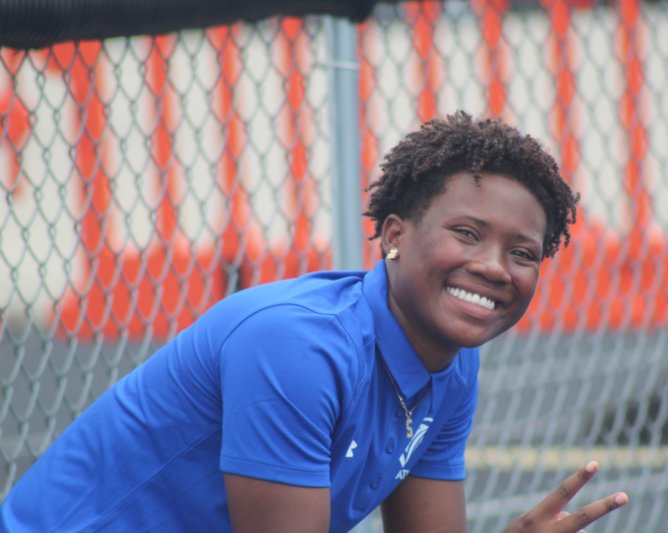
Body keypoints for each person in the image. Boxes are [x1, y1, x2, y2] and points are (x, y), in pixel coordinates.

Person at [0, 111, 627, 532]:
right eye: (466, 233)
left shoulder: (453, 367)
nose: (494, 267)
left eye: (522, 253)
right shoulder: (296, 346)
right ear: (394, 236)